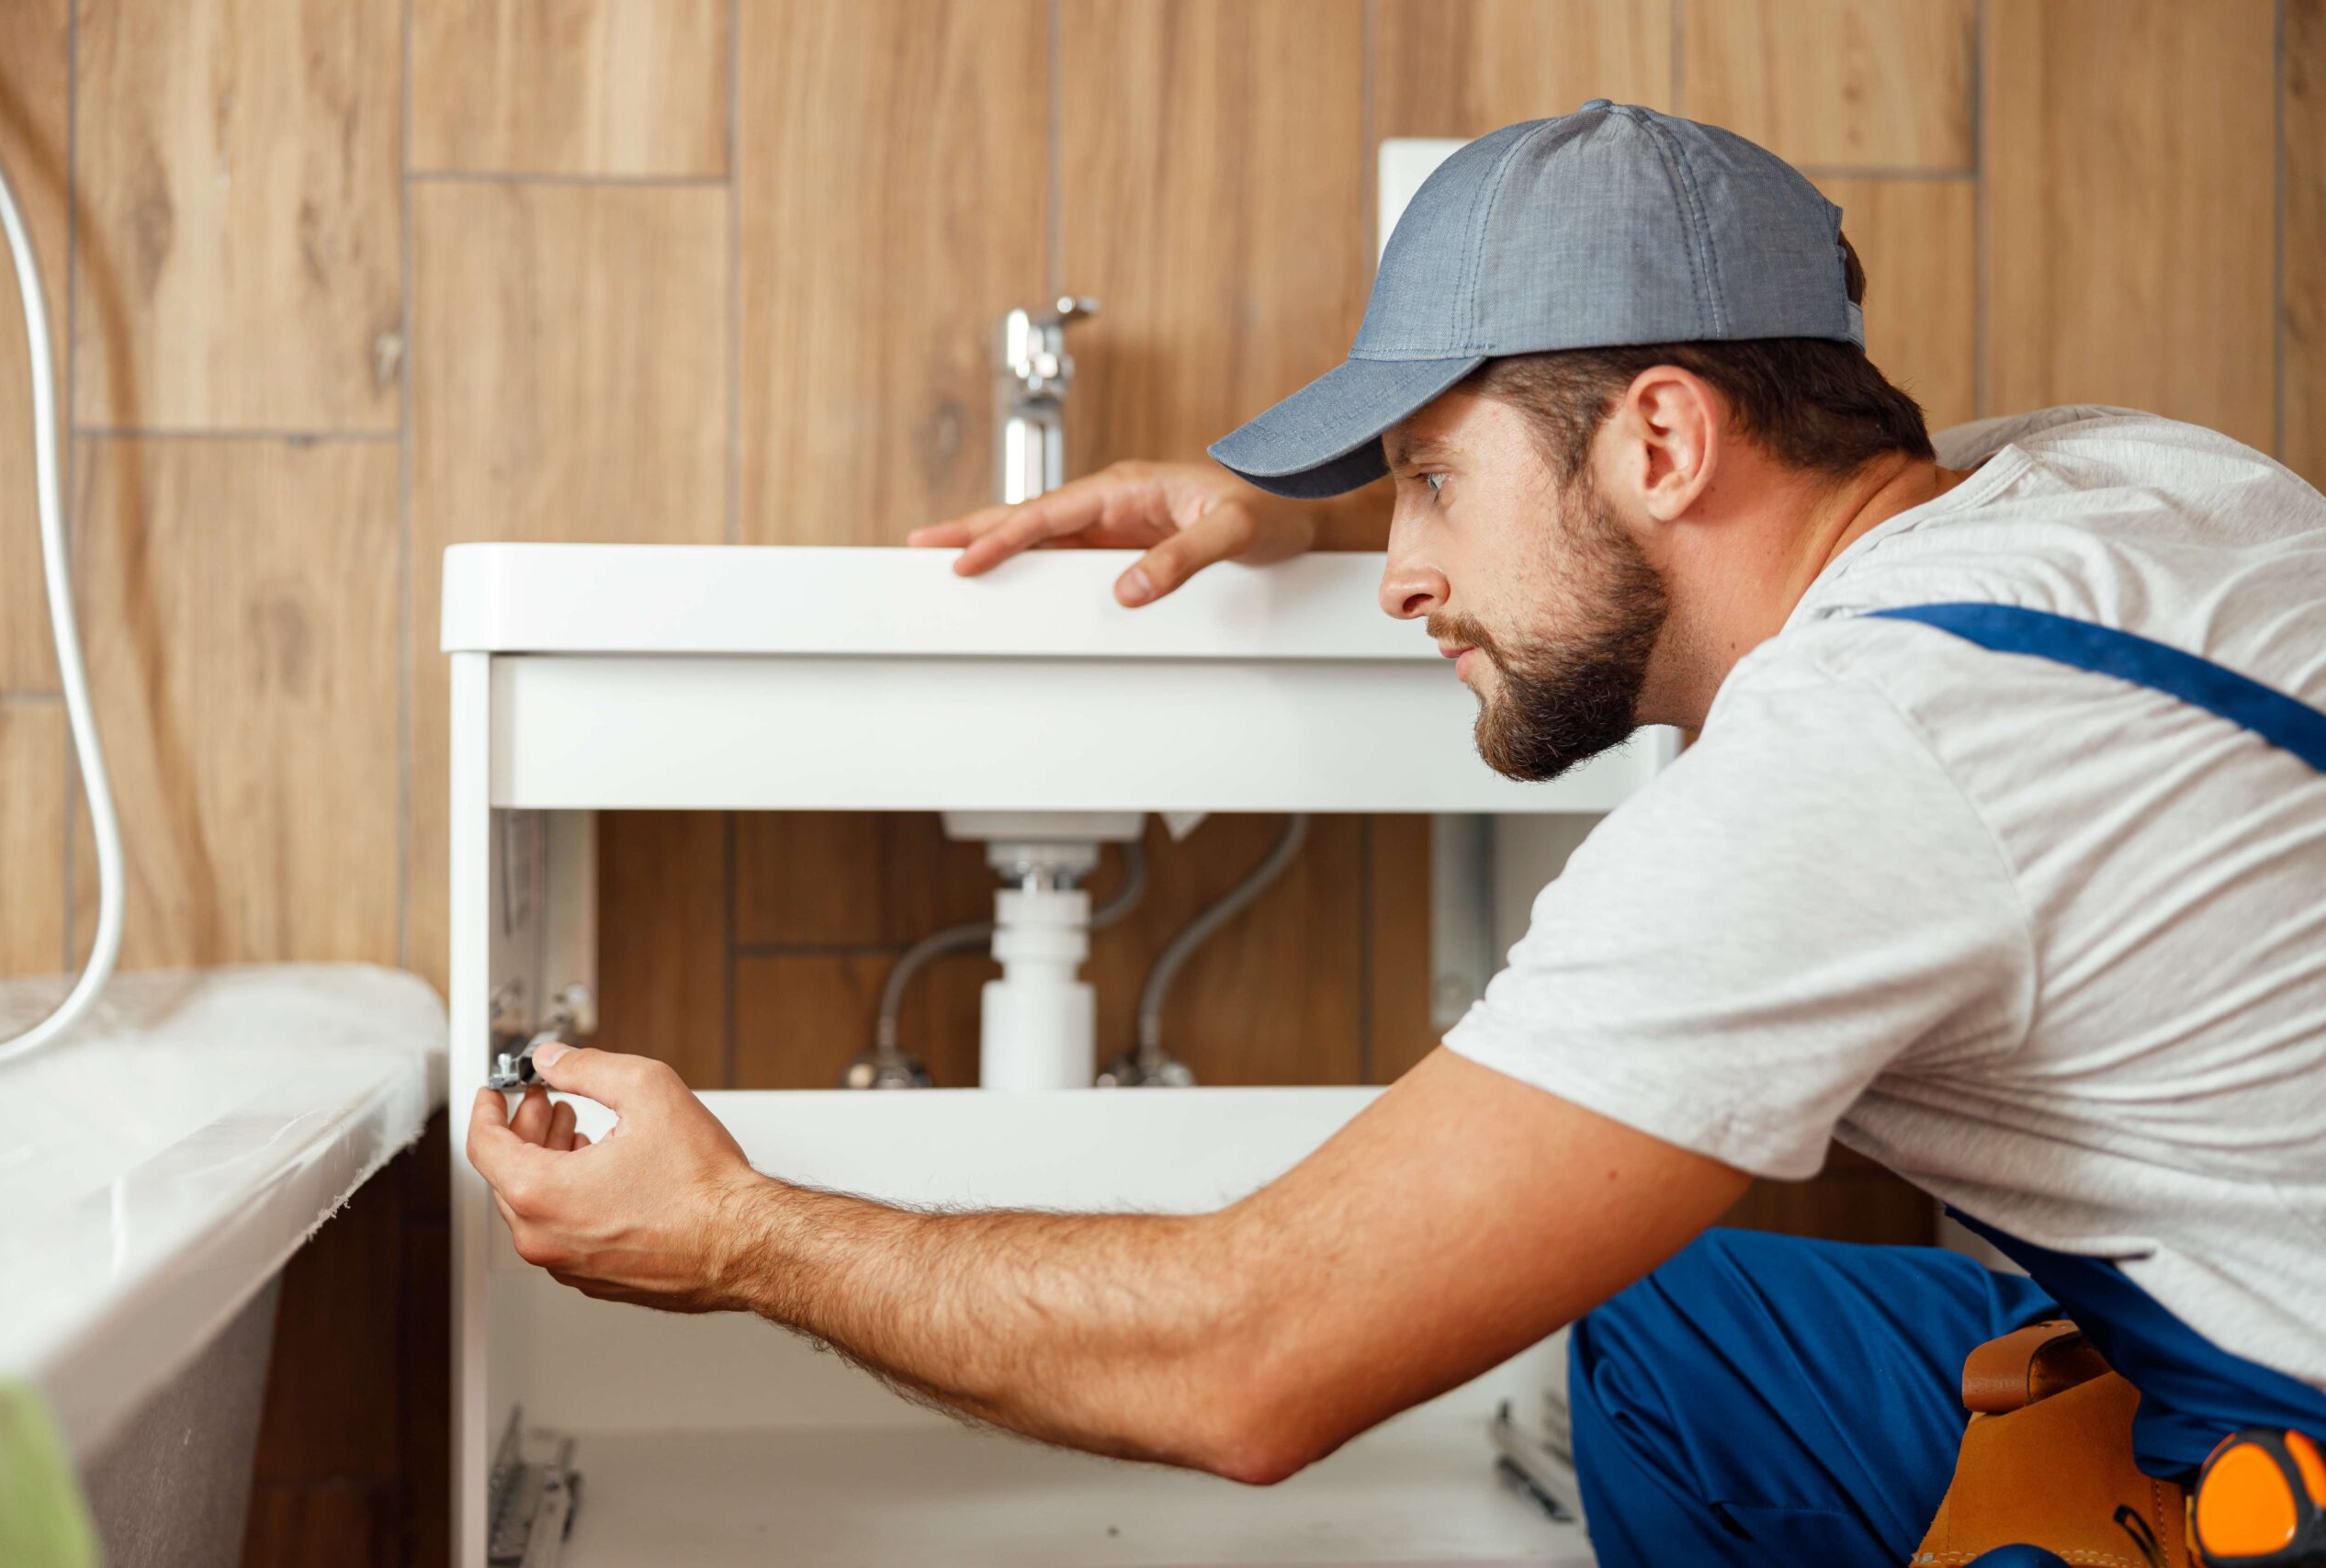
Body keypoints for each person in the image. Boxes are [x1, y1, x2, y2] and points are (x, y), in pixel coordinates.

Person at [469, 102, 2326, 1564]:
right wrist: (1336, 504)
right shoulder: (2108, 479)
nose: (1400, 572)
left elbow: (1242, 1364)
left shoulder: (1863, 752)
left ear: (1662, 442)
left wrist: (732, 1230)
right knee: (1669, 1327)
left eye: (1432, 474)